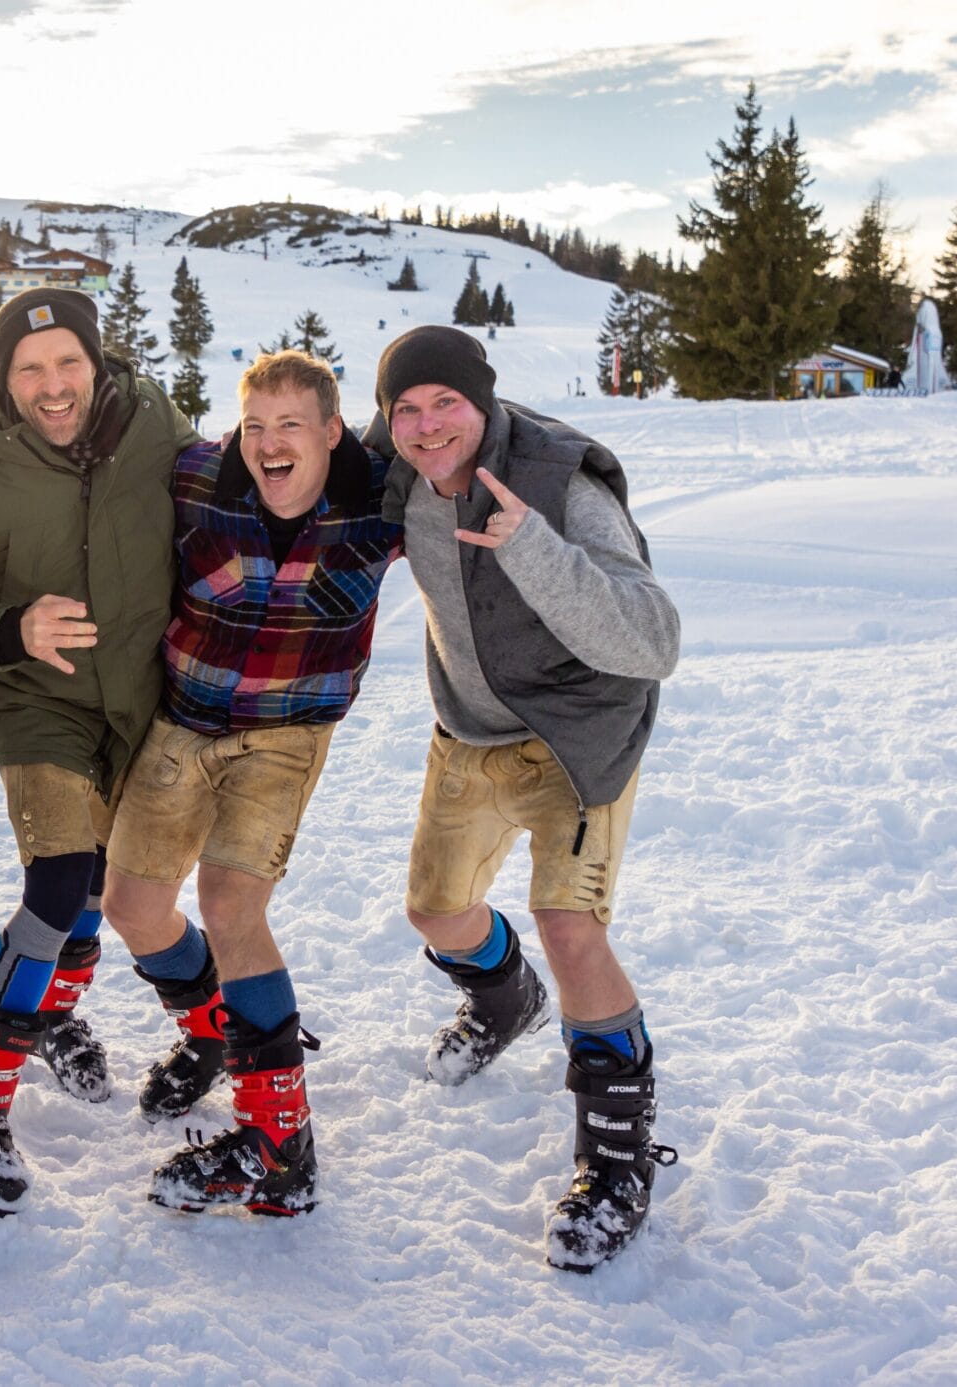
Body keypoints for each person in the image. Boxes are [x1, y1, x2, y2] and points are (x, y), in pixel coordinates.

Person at [362, 325, 681, 1271]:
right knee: (436, 909)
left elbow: (654, 639)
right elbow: (290, 450)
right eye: (406, 410)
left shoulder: (559, 483)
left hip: (580, 731)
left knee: (568, 923)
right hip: (470, 727)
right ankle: (507, 1000)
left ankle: (615, 1160)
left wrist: (532, 548)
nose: (426, 428)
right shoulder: (398, 457)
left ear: (485, 401)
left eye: (445, 405)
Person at [0, 286, 201, 1214]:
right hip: (34, 698)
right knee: (59, 874)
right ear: (0, 375)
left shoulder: (154, 422)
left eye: (67, 362)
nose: (52, 384)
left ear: (97, 360)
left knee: (109, 886)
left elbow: (223, 504)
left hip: (142, 698)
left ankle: (199, 1029)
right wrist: (11, 628)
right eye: (28, 368)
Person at [100, 350, 399, 1217]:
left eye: (290, 426)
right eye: (254, 426)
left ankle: (278, 1140)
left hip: (286, 735)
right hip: (182, 721)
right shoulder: (198, 477)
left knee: (232, 906)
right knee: (132, 905)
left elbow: (465, 453)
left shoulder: (380, 496)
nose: (269, 445)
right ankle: (213, 1033)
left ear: (332, 431)